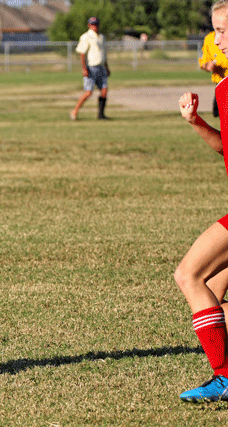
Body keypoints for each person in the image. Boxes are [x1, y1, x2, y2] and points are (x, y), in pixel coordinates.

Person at [175, 0, 228, 403]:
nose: (218, 41)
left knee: (188, 276)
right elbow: (224, 149)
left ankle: (224, 378)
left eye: (225, 31)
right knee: (211, 286)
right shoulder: (224, 87)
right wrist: (196, 123)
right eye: (216, 31)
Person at [70, 17, 111, 121]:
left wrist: (106, 67)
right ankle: (75, 111)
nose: (95, 26)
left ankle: (101, 115)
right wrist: (84, 68)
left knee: (104, 90)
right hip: (91, 68)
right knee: (88, 92)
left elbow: (103, 54)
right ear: (89, 25)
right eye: (92, 24)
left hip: (101, 67)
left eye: (96, 24)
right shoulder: (86, 37)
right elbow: (82, 53)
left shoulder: (102, 37)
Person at [199, 30, 228, 117]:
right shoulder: (210, 38)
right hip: (220, 82)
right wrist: (208, 65)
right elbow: (204, 62)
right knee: (219, 114)